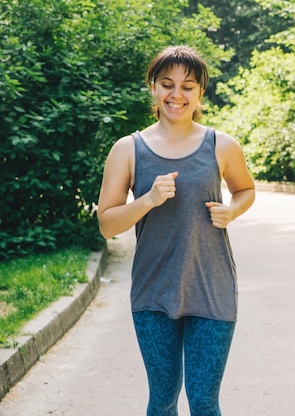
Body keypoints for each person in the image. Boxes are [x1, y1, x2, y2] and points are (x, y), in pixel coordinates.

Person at [97, 45, 255, 416]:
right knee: (164, 399)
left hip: (212, 290)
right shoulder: (128, 150)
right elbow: (107, 224)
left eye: (188, 86)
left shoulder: (223, 145)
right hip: (154, 293)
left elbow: (245, 190)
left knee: (203, 402)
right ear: (153, 87)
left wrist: (231, 211)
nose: (176, 94)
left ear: (200, 92)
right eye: (167, 84)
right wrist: (147, 200)